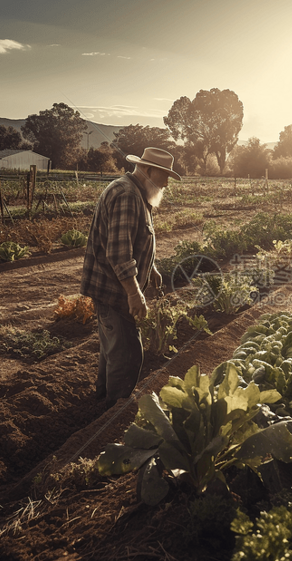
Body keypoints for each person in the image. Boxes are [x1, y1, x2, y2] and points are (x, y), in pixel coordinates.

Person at [80, 147, 181, 407]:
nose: (167, 182)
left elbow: (135, 240)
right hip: (114, 292)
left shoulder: (138, 193)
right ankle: (114, 411)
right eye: (165, 175)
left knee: (113, 349)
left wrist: (152, 269)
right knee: (127, 354)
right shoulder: (126, 194)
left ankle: (103, 401)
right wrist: (135, 293)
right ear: (147, 170)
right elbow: (118, 253)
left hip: (113, 290)